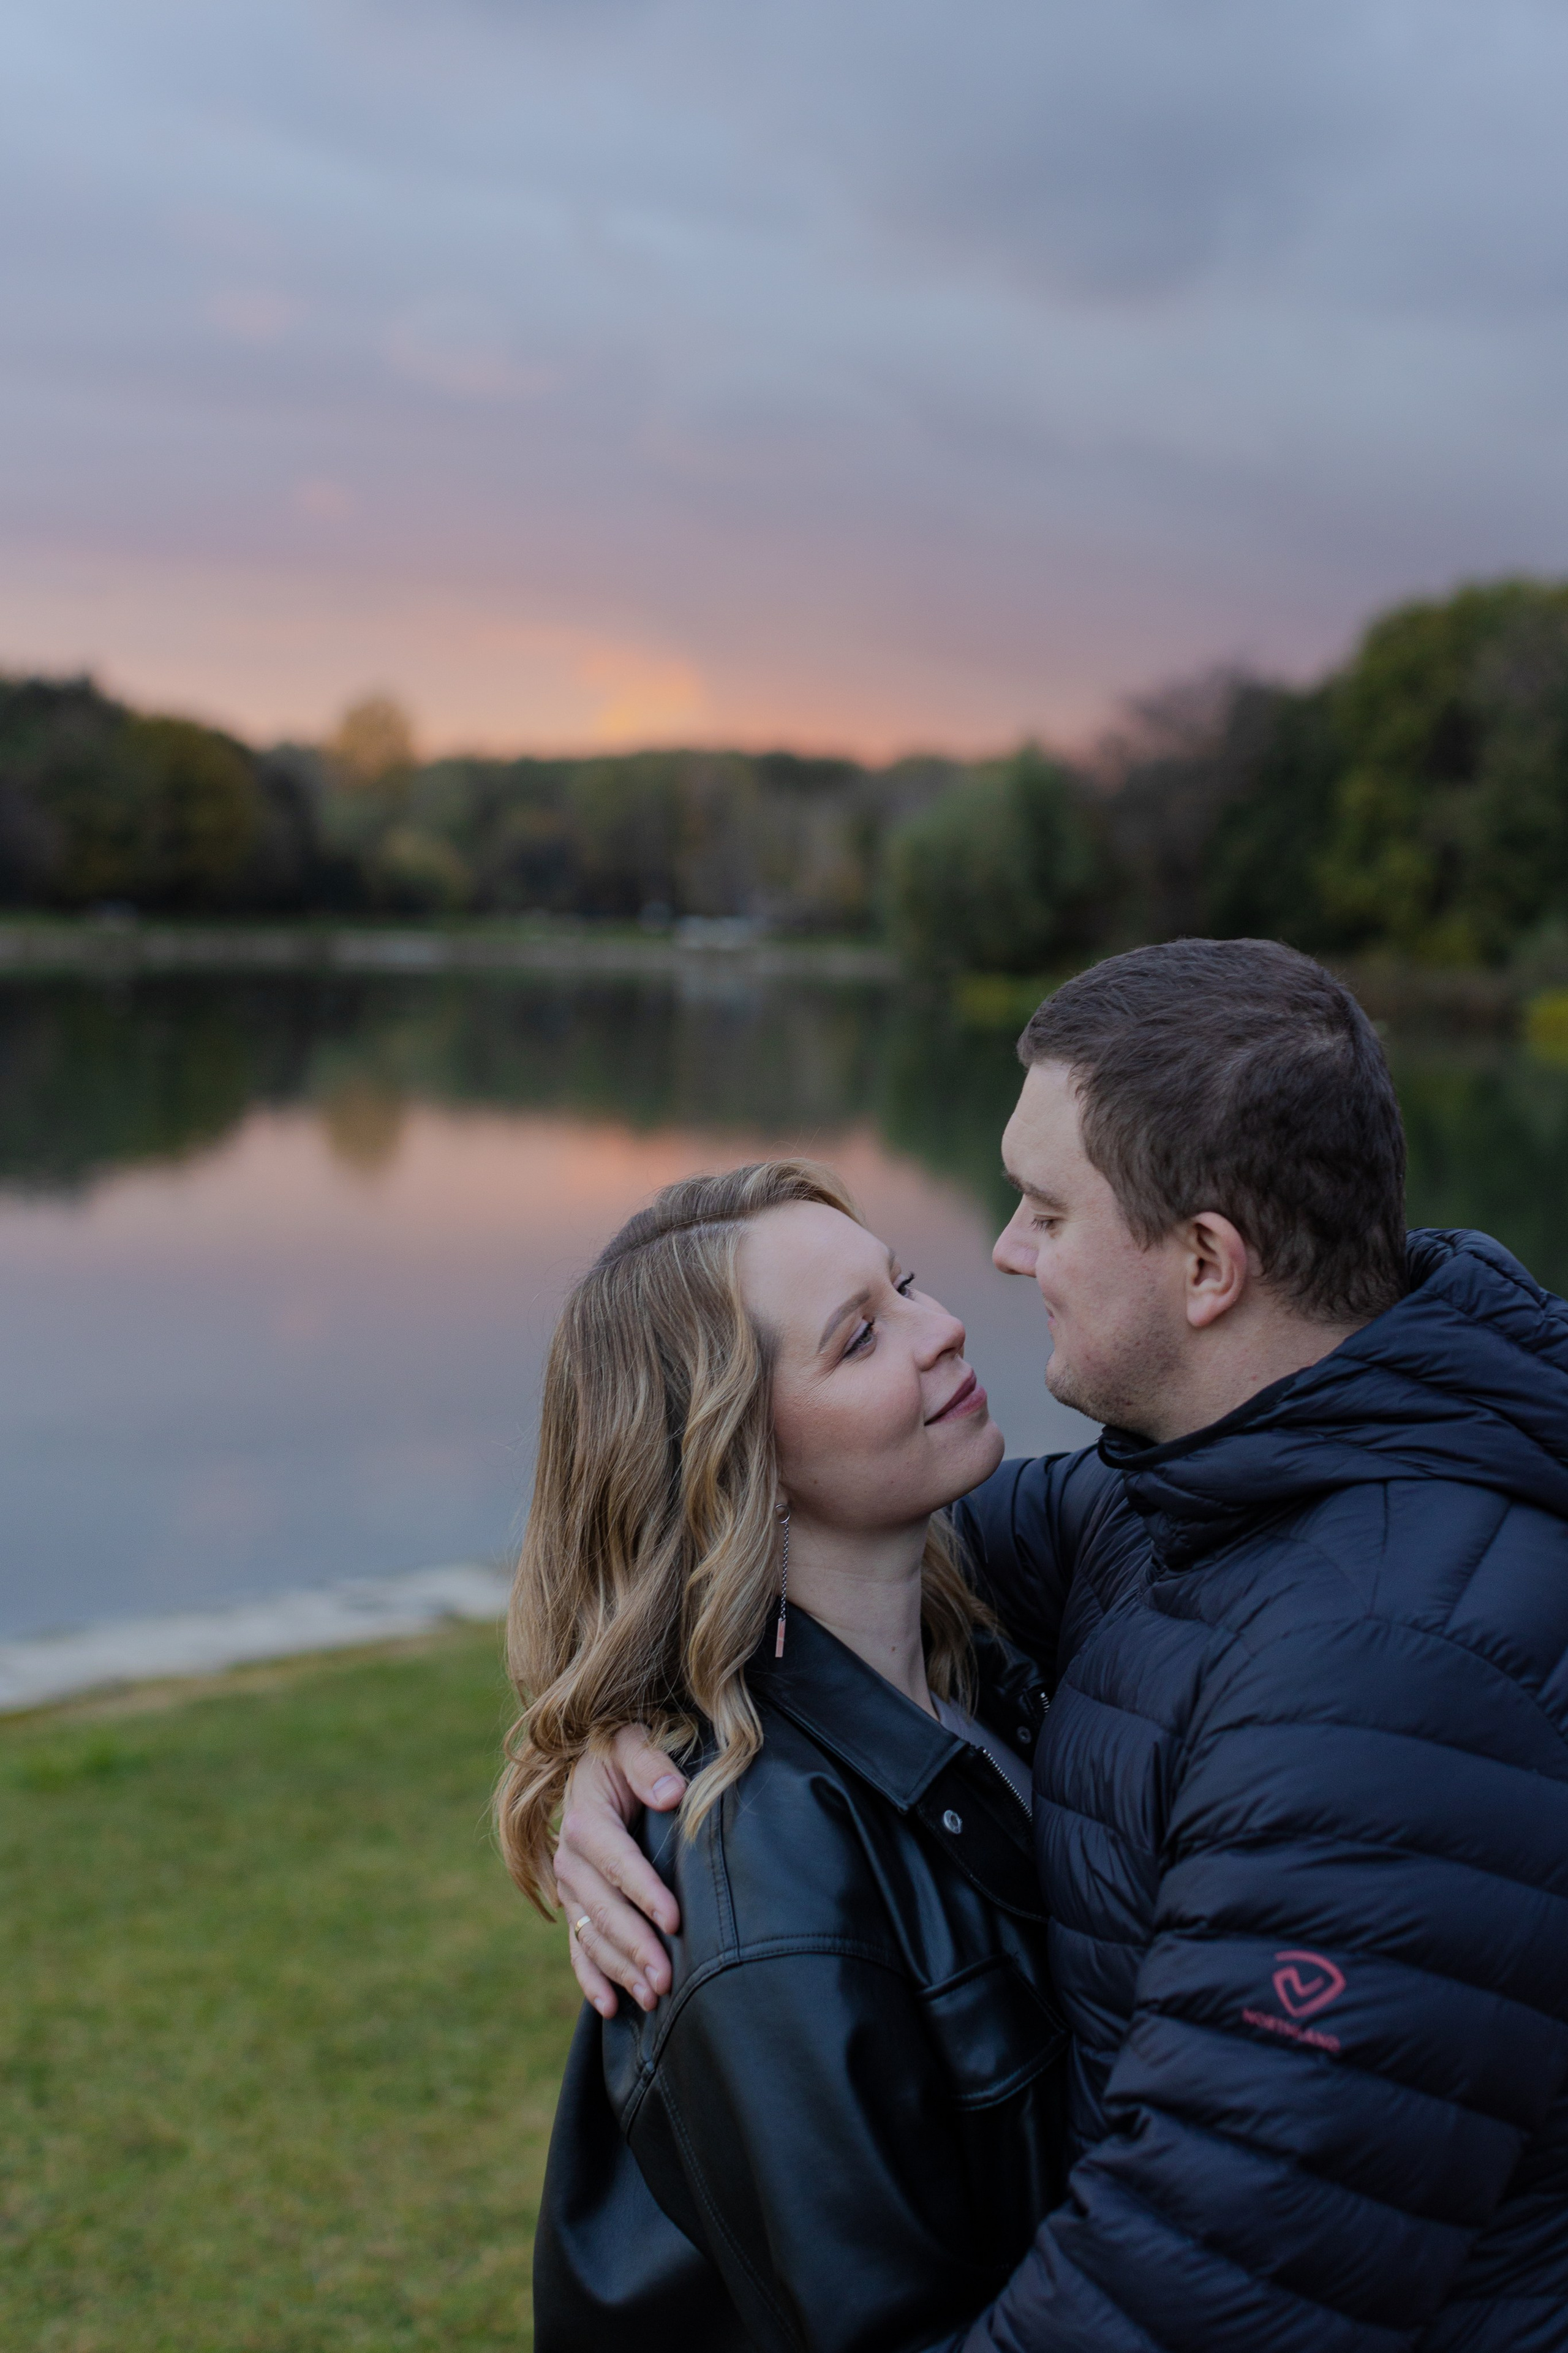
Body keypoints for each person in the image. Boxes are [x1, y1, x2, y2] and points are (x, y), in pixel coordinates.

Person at [557, 937, 1568, 2352]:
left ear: (1205, 1263)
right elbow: (842, 1554)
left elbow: (1186, 2295)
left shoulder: (1382, 1691)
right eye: (862, 1327)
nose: (1001, 1254)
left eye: (1044, 1209)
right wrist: (613, 1727)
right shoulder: (1215, 1483)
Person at [499, 1159, 1069, 2353]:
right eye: (860, 1338)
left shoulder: (984, 1664)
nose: (942, 1327)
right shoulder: (768, 1893)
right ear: (734, 1466)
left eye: (903, 1284)